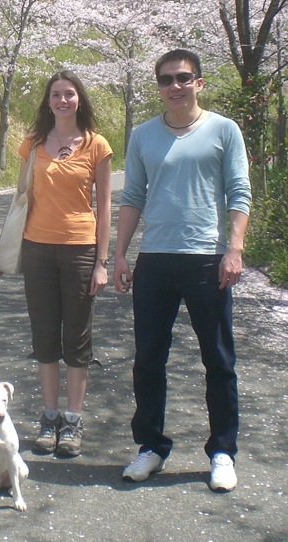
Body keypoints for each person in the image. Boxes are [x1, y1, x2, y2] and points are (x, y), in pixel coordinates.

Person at [113, 48, 251, 492]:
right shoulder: (143, 135)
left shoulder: (223, 130)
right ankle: (151, 447)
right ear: (159, 87)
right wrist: (119, 254)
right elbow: (132, 195)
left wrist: (235, 248)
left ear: (199, 83)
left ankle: (223, 452)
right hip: (156, 259)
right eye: (167, 79)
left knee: (218, 359)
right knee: (149, 360)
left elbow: (239, 191)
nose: (175, 86)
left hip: (207, 260)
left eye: (183, 78)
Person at [17, 71, 113, 457]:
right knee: (44, 337)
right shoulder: (33, 144)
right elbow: (21, 199)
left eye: (69, 94)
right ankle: (49, 415)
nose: (62, 101)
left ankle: (73, 420)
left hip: (80, 249)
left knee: (76, 338)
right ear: (48, 101)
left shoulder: (96, 145)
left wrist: (102, 261)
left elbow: (105, 207)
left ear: (79, 99)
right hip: (37, 249)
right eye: (56, 94)